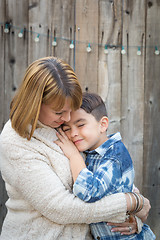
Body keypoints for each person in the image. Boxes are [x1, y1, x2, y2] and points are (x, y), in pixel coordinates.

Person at [0, 57, 151, 240]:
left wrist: (136, 210)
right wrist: (127, 203)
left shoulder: (64, 126)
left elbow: (103, 168)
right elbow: (61, 208)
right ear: (35, 103)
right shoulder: (16, 140)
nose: (67, 117)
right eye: (59, 112)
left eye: (71, 109)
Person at [55, 92, 156, 239]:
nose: (73, 133)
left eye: (80, 125)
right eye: (67, 129)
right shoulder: (90, 153)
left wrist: (74, 156)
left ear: (102, 125)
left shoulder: (114, 154)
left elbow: (89, 192)